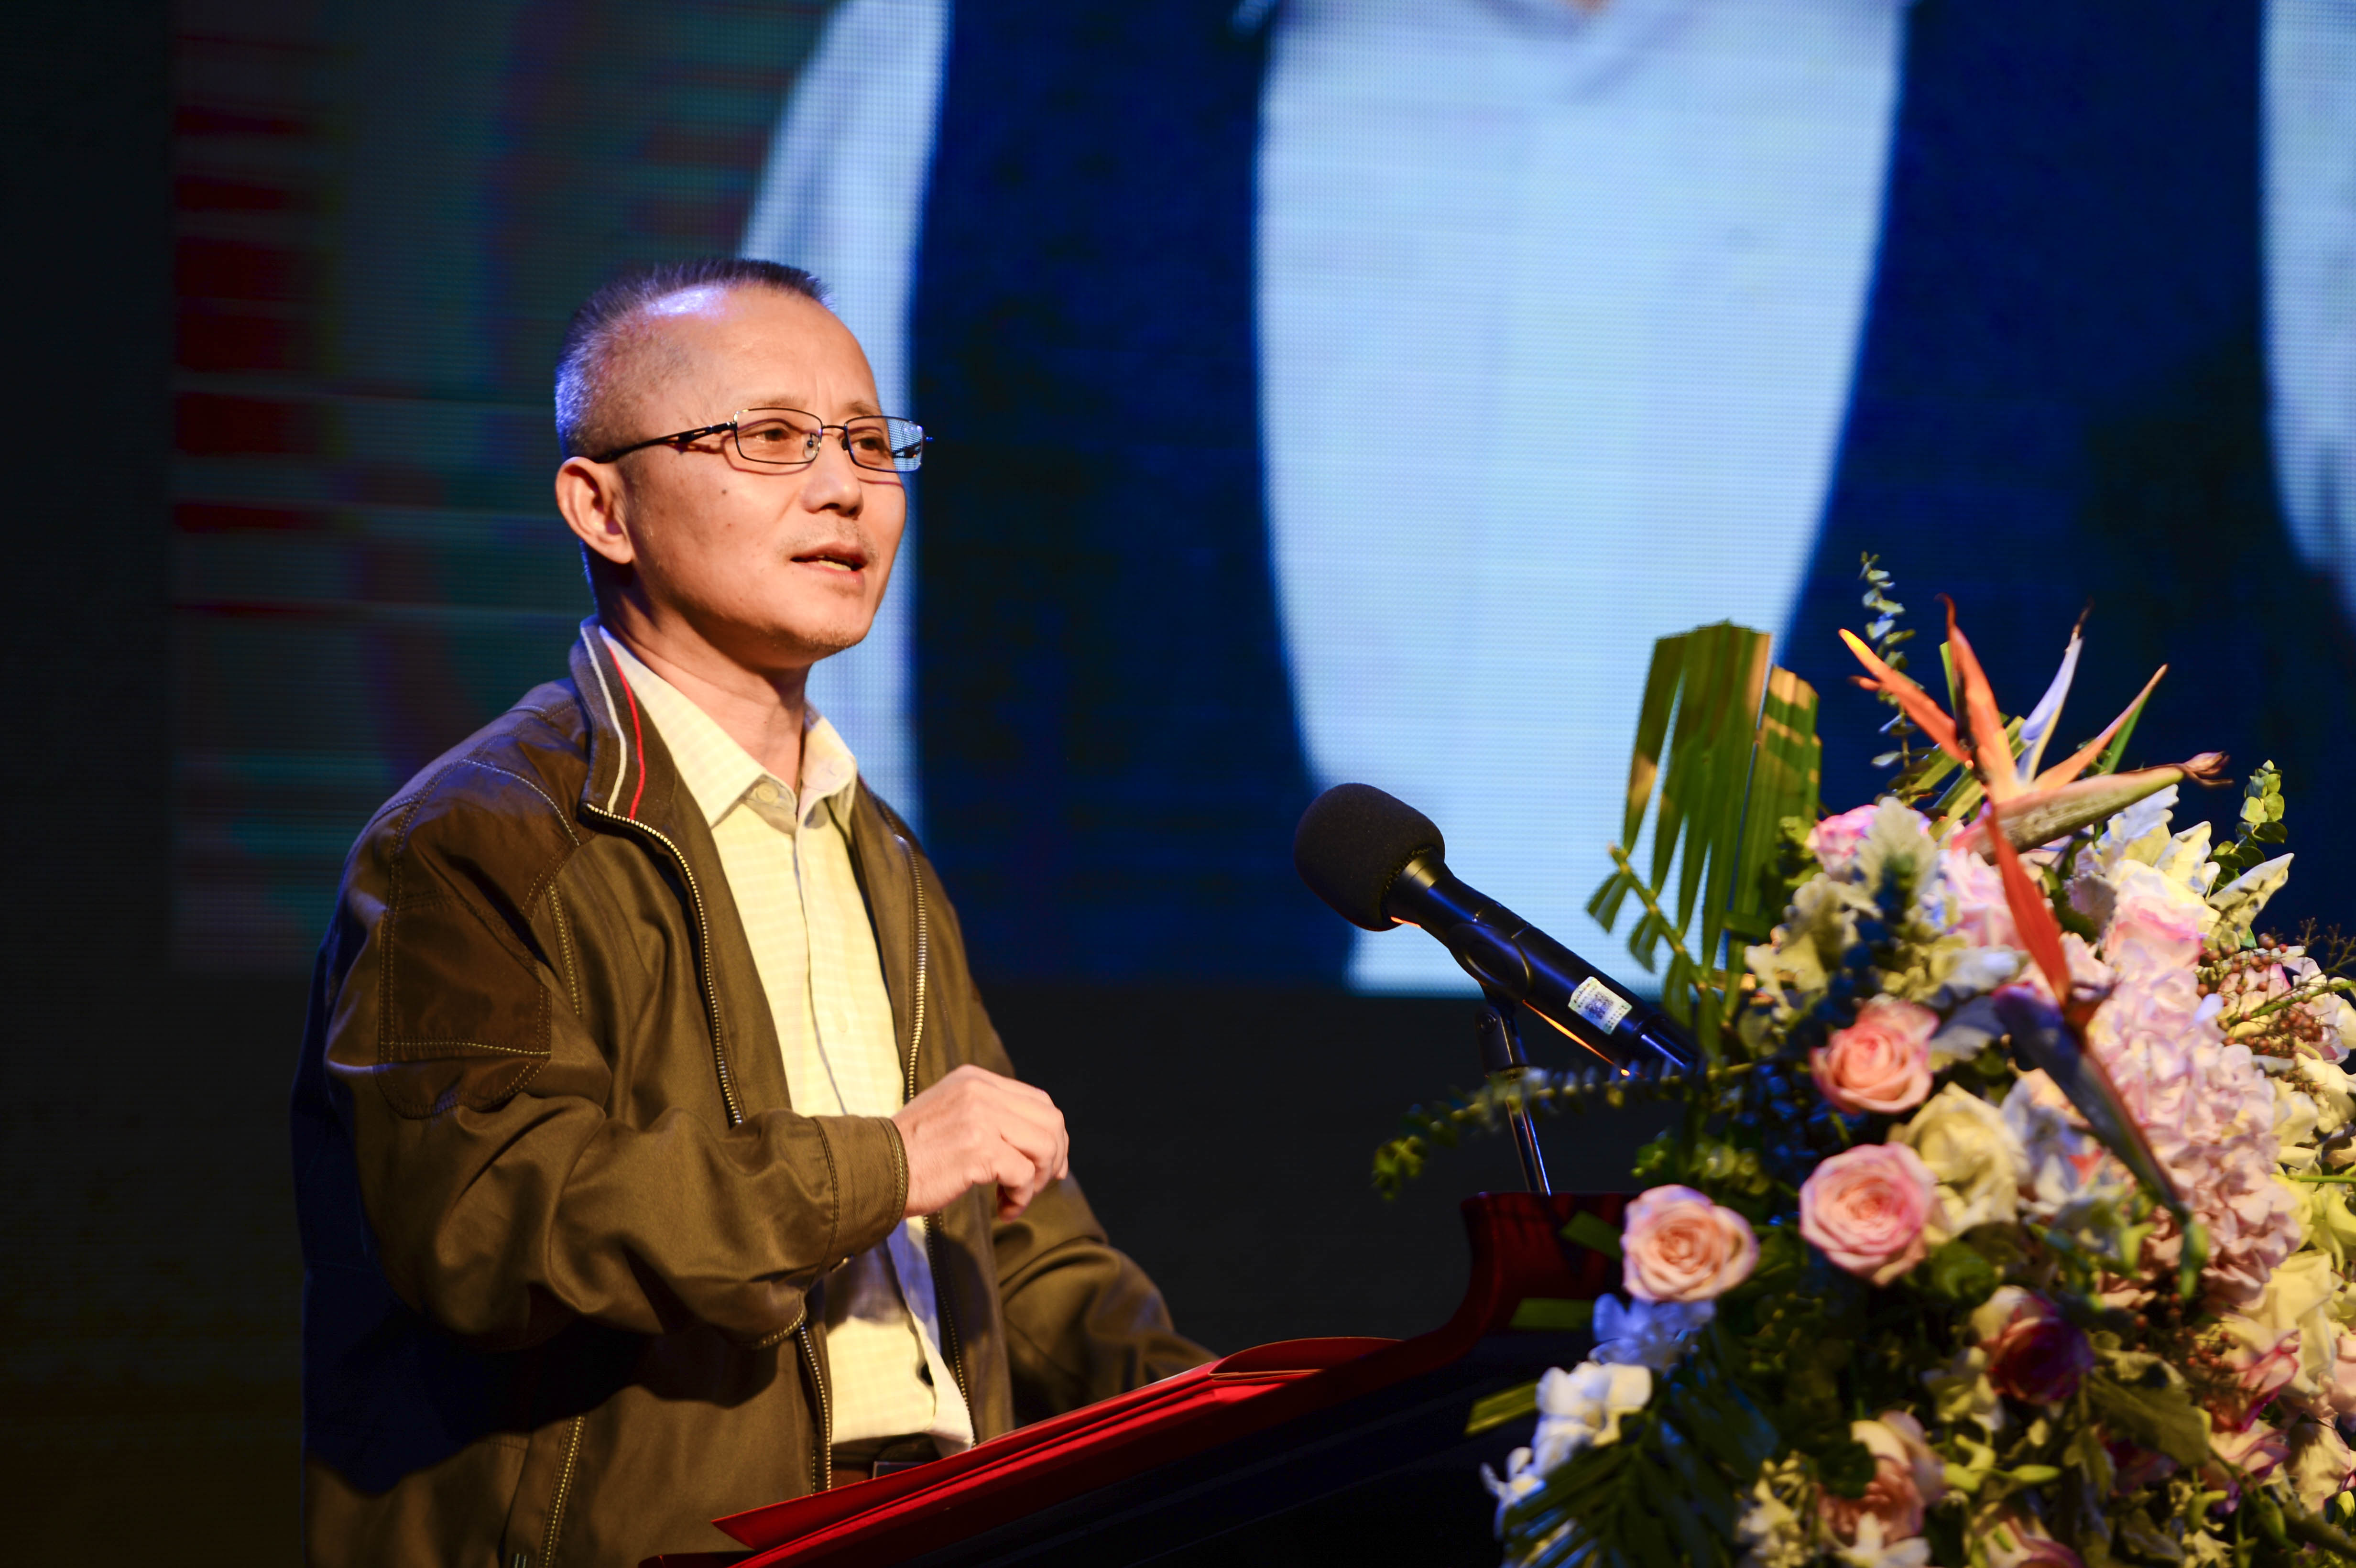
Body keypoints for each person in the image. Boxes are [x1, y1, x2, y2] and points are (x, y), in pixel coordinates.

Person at [290, 257, 1210, 1565]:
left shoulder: (877, 845)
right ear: (602, 507)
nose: (844, 488)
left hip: (938, 1522)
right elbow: (489, 1221)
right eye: (772, 438)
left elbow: (1016, 1249)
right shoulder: (477, 838)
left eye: (870, 444)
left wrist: (1240, 1411)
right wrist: (884, 1164)